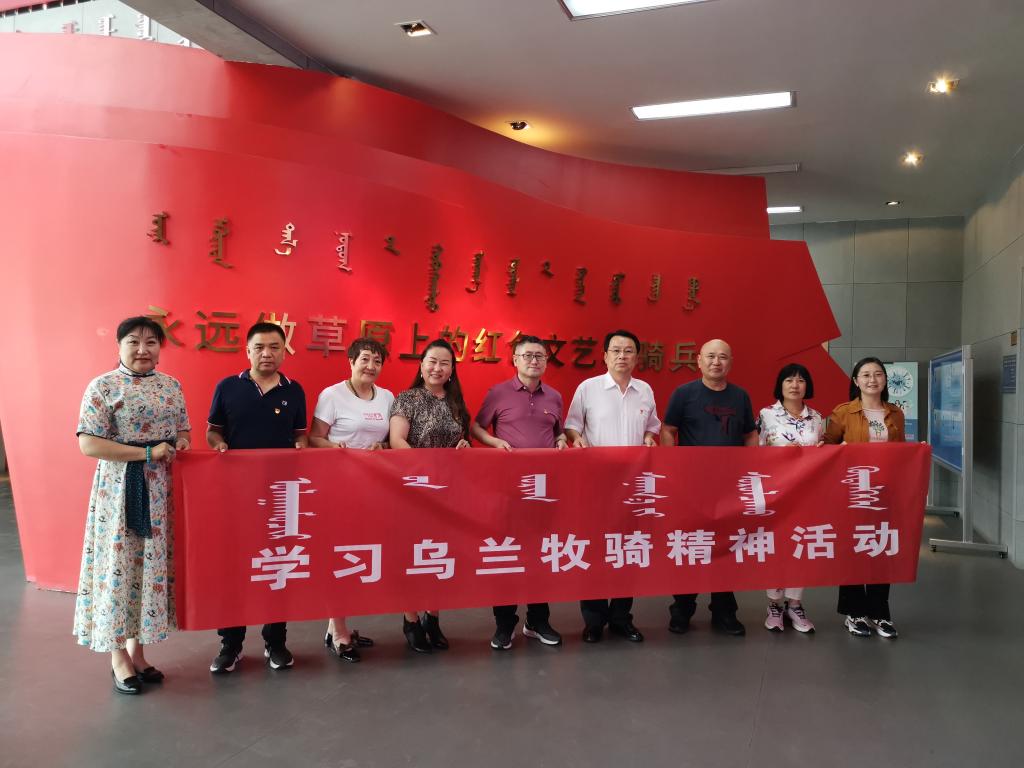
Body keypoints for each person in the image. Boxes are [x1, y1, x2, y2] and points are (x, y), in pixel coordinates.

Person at [74, 316, 191, 695]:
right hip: (120, 489)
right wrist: (146, 453)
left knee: (147, 569)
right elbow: (89, 443)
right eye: (134, 342)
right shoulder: (103, 386)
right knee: (119, 566)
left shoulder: (171, 385)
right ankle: (117, 658)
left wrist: (182, 442)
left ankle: (137, 653)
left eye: (151, 342)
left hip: (160, 492)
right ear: (119, 346)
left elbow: (183, 429)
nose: (143, 349)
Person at [206, 322, 308, 673]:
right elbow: (213, 431)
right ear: (247, 351)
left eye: (275, 347)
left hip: (281, 494)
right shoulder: (227, 387)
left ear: (284, 351)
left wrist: (300, 448)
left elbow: (300, 436)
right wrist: (219, 445)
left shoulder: (294, 391)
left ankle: (275, 641)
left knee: (277, 563)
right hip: (235, 493)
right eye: (260, 347)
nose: (267, 353)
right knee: (234, 566)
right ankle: (231, 644)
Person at [471, 334, 568, 650]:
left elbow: (558, 432)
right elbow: (476, 427)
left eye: (540, 356)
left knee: (541, 552)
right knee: (507, 552)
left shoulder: (554, 396)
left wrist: (562, 441)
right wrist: (494, 442)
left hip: (544, 489)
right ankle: (504, 624)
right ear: (515, 360)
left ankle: (537, 621)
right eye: (527, 355)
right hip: (508, 488)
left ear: (546, 361)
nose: (534, 361)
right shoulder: (498, 393)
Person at [564, 329, 660, 644]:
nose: (622, 356)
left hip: (633, 485)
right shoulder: (588, 388)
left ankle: (621, 618)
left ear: (636, 357)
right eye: (616, 350)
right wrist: (577, 439)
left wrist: (650, 438)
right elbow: (572, 426)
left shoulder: (645, 390)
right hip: (596, 484)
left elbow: (652, 427)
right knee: (594, 550)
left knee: (627, 549)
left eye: (628, 350)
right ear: (605, 356)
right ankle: (593, 621)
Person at [661, 339, 757, 636]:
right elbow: (668, 430)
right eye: (711, 356)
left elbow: (750, 434)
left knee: (726, 547)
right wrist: (674, 468)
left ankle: (724, 612)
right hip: (692, 487)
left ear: (731, 362)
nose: (717, 362)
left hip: (729, 487)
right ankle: (682, 609)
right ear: (699, 360)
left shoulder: (740, 396)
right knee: (692, 545)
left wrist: (749, 468)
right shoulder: (684, 394)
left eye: (723, 357)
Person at [309, 337, 394, 662]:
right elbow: (314, 438)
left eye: (377, 361)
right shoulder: (332, 395)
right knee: (339, 556)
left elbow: (391, 440)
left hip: (374, 488)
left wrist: (382, 447)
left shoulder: (387, 397)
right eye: (365, 359)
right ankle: (339, 630)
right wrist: (337, 449)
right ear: (351, 362)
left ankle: (337, 627)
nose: (371, 366)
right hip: (338, 487)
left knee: (361, 555)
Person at [389, 339, 471, 652]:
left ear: (452, 370)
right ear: (421, 365)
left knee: (439, 553)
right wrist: (425, 475)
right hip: (413, 489)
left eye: (444, 363)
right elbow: (397, 441)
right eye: (432, 361)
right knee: (411, 555)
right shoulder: (407, 398)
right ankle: (410, 619)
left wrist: (463, 446)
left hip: (448, 492)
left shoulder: (456, 402)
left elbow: (461, 441)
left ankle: (432, 617)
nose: (437, 368)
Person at [824, 356, 905, 639]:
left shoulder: (895, 413)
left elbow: (901, 452)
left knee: (881, 549)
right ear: (856, 381)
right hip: (853, 493)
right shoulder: (843, 412)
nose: (872, 379)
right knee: (855, 550)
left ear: (885, 379)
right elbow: (826, 447)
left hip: (884, 493)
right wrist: (840, 450)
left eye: (878, 374)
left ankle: (880, 613)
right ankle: (854, 612)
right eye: (866, 375)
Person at [757, 363, 824, 633]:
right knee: (777, 546)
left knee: (801, 545)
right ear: (780, 385)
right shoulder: (766, 414)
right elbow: (755, 452)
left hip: (807, 493)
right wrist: (782, 455)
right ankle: (774, 604)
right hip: (776, 492)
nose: (795, 385)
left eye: (800, 380)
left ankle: (795, 604)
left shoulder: (817, 417)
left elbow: (823, 452)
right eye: (789, 380)